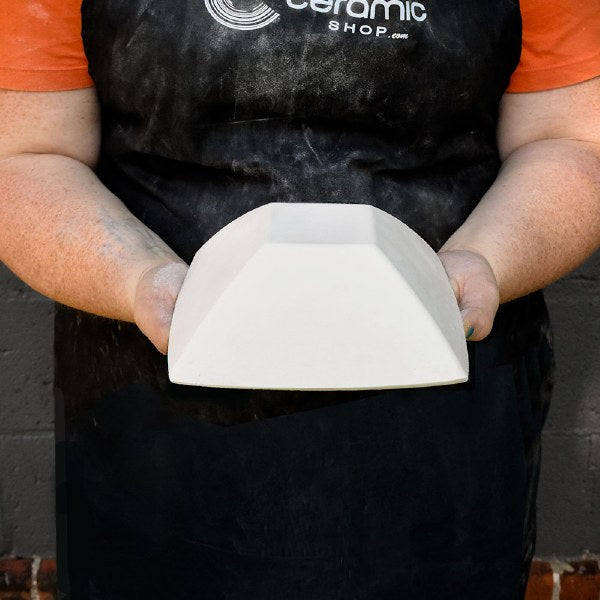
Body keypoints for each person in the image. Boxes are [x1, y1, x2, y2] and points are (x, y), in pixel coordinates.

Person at [0, 0, 599, 598]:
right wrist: (137, 277)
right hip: (153, 406)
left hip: (445, 401)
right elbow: (27, 155)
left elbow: (571, 139)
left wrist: (484, 262)